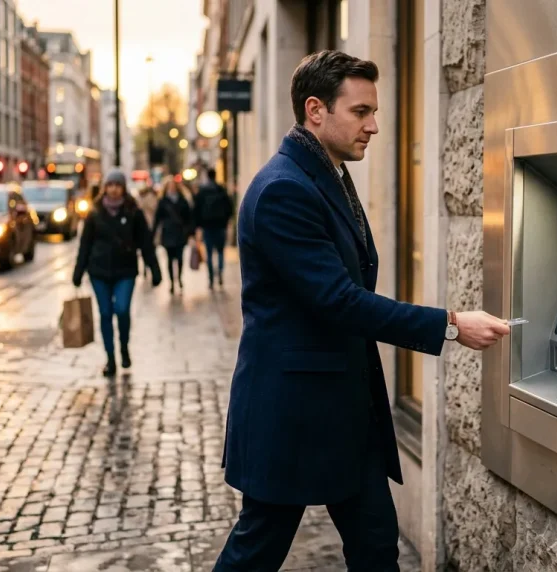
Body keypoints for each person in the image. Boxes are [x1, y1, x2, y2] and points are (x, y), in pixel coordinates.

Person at [214, 50, 510, 572]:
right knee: (256, 550)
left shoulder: (323, 172)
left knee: (376, 546)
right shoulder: (285, 188)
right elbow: (338, 301)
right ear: (315, 110)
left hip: (344, 410)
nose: (374, 125)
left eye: (374, 111)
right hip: (294, 415)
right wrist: (450, 325)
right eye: (361, 112)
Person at [72, 169, 162, 377]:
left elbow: (146, 243)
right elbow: (84, 245)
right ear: (105, 188)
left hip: (125, 271)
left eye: (117, 185)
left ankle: (123, 346)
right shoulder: (94, 213)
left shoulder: (133, 212)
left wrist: (155, 270)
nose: (113, 190)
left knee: (121, 310)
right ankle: (110, 358)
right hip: (99, 271)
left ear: (123, 188)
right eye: (110, 185)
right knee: (105, 313)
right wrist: (78, 273)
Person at [193, 168, 234, 288]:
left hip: (207, 226)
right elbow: (229, 207)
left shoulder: (203, 191)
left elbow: (196, 209)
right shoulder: (221, 189)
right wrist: (226, 221)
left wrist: (198, 226)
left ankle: (211, 278)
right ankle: (220, 273)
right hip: (220, 226)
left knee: (209, 253)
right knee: (220, 251)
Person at [153, 180, 194, 293]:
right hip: (168, 233)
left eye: (173, 186)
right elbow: (157, 218)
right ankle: (172, 282)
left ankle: (179, 279)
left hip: (180, 233)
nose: (171, 188)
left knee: (180, 258)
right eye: (169, 186)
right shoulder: (163, 201)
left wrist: (191, 232)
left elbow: (189, 218)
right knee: (170, 259)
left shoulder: (183, 201)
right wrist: (153, 233)